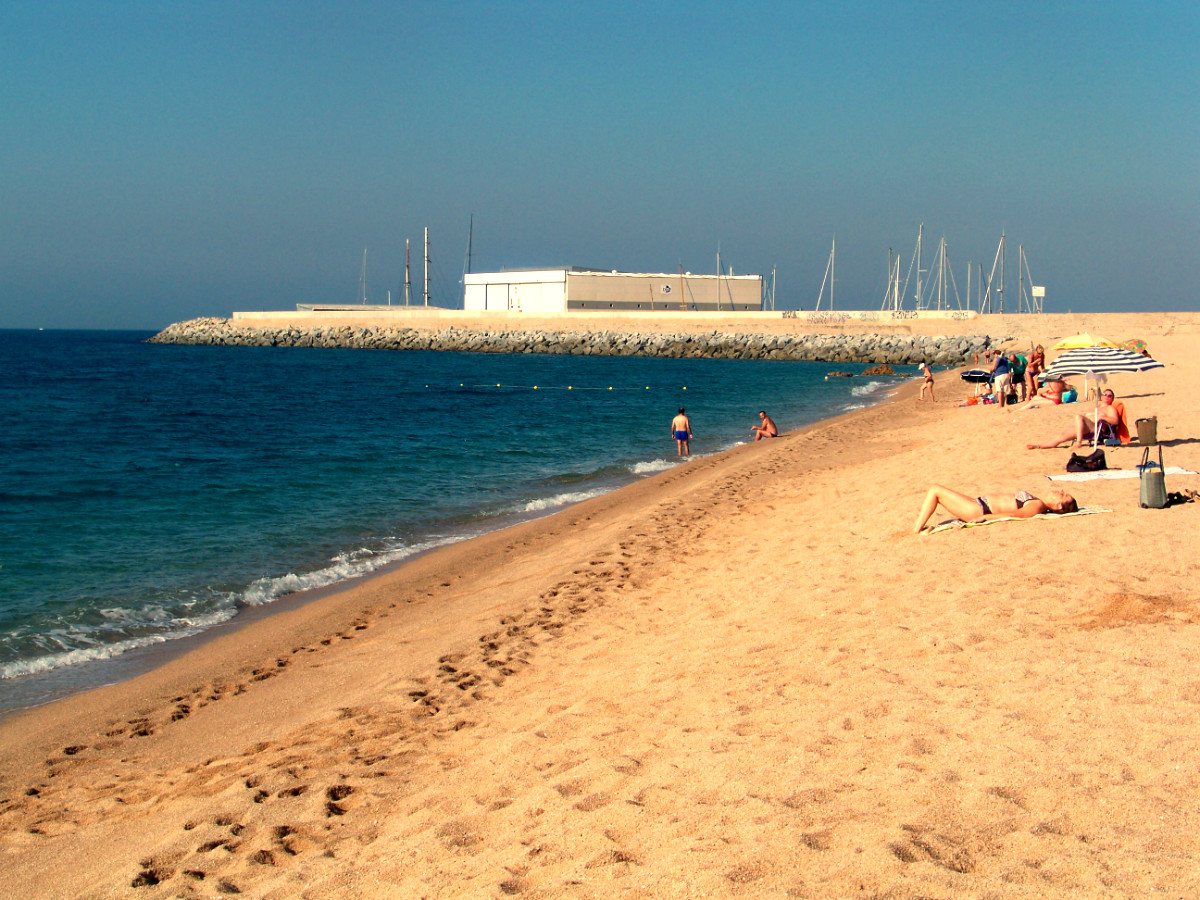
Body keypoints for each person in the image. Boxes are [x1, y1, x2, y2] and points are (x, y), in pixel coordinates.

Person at [913, 484, 1078, 533]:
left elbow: (1016, 515)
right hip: (977, 504)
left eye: (1063, 495)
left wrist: (986, 518)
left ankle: (916, 530)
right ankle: (920, 528)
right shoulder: (1038, 502)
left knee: (935, 490)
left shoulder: (1038, 506)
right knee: (937, 493)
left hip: (979, 510)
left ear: (1058, 506)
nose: (1060, 491)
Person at [1025, 390, 1130, 450]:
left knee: (1078, 417)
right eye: (1105, 394)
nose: (1106, 396)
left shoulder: (1110, 408)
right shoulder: (1095, 407)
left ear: (1112, 399)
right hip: (1083, 426)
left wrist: (1102, 417)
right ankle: (1038, 446)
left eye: (1109, 395)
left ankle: (1078, 442)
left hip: (1096, 428)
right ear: (1101, 396)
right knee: (1060, 437)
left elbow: (1115, 421)